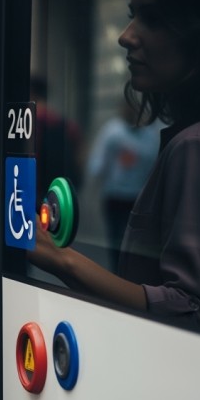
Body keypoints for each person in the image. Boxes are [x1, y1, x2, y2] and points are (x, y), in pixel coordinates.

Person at [30, 0, 200, 341]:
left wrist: (59, 259)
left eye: (153, 19)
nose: (126, 36)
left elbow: (193, 315)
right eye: (133, 16)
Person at [85, 99, 161, 271]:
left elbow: (154, 163)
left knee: (134, 242)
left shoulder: (149, 134)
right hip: (115, 195)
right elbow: (97, 163)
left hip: (138, 197)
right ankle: (117, 271)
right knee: (116, 238)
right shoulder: (112, 131)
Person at [31, 75, 84, 193]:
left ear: (32, 93)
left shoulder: (32, 121)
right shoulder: (66, 124)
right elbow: (79, 160)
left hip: (37, 189)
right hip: (60, 190)